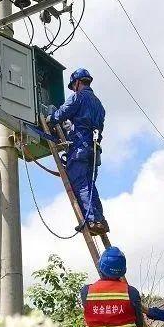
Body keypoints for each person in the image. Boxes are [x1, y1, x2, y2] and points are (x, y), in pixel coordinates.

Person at [47, 68, 108, 235]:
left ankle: (92, 220)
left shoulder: (77, 97)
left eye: (74, 85)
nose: (73, 88)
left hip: (80, 148)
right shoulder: (99, 104)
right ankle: (100, 219)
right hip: (94, 150)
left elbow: (60, 114)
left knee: (80, 184)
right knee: (89, 184)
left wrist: (50, 118)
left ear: (78, 82)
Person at [81, 246, 144, 327]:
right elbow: (140, 324)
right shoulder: (131, 292)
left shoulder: (86, 291)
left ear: (100, 267)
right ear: (123, 270)